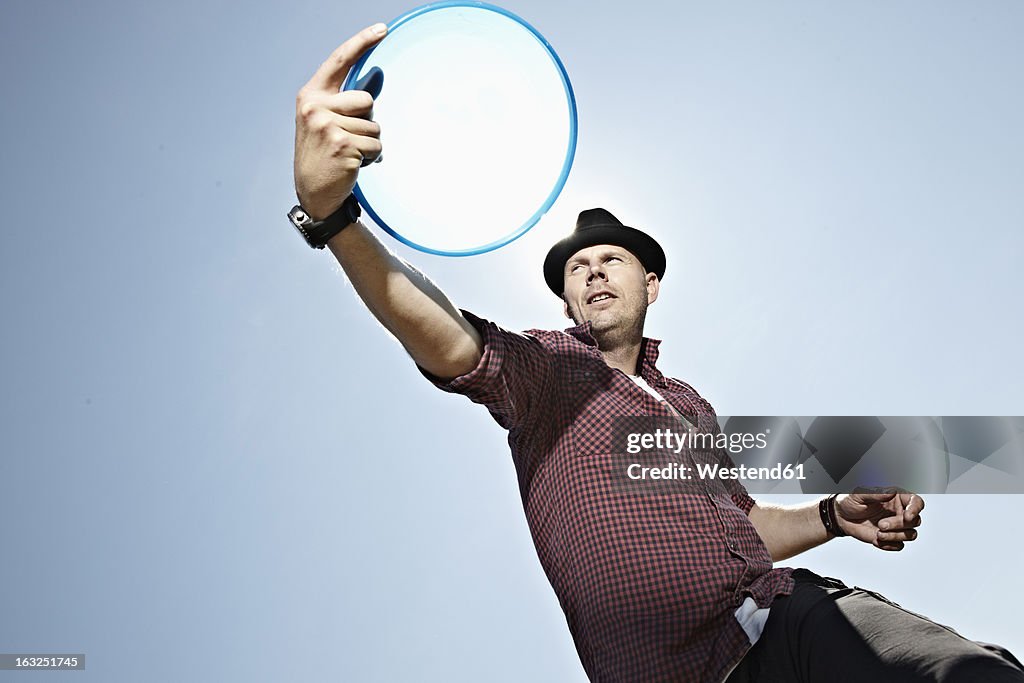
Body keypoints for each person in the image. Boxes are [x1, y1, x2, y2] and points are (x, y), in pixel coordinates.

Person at [289, 24, 1024, 683]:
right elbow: (447, 337)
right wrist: (332, 215)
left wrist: (833, 513)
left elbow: (745, 530)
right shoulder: (548, 371)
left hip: (797, 616)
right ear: (568, 301)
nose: (595, 270)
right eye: (578, 268)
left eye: (612, 258)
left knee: (967, 674)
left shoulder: (689, 403)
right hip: (681, 675)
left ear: (652, 283)